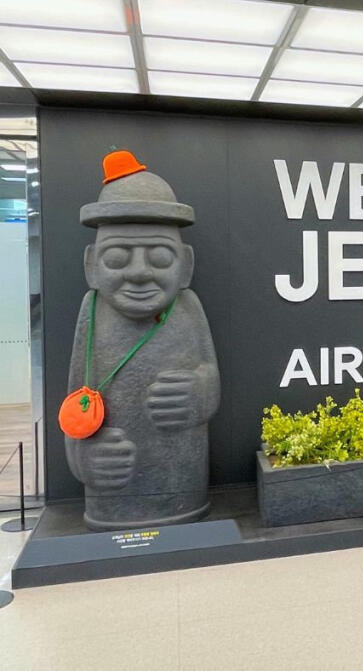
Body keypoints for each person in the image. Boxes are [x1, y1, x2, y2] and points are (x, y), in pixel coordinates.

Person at [62, 150, 220, 530]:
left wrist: (198, 391)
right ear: (91, 265)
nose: (138, 273)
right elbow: (74, 401)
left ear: (186, 264)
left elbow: (211, 376)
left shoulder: (188, 307)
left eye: (160, 259)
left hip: (183, 481)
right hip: (113, 488)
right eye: (117, 258)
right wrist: (84, 459)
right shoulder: (92, 310)